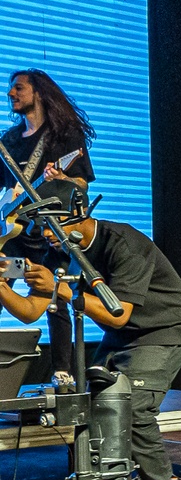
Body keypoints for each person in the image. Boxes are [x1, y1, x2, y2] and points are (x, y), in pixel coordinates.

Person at [0, 192, 181, 480]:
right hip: (122, 337)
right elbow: (30, 311)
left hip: (165, 329)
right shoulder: (58, 252)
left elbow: (117, 313)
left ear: (79, 213)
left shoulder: (124, 243)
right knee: (89, 410)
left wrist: (59, 288)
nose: (47, 234)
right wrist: (2, 285)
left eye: (54, 224)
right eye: (42, 226)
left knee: (133, 407)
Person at [2, 69, 97, 378]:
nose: (11, 93)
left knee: (55, 297)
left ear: (39, 92)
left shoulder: (64, 135)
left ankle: (62, 372)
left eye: (19, 88)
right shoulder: (9, 141)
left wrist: (62, 177)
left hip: (48, 233)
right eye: (10, 88)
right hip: (15, 235)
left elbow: (81, 185)